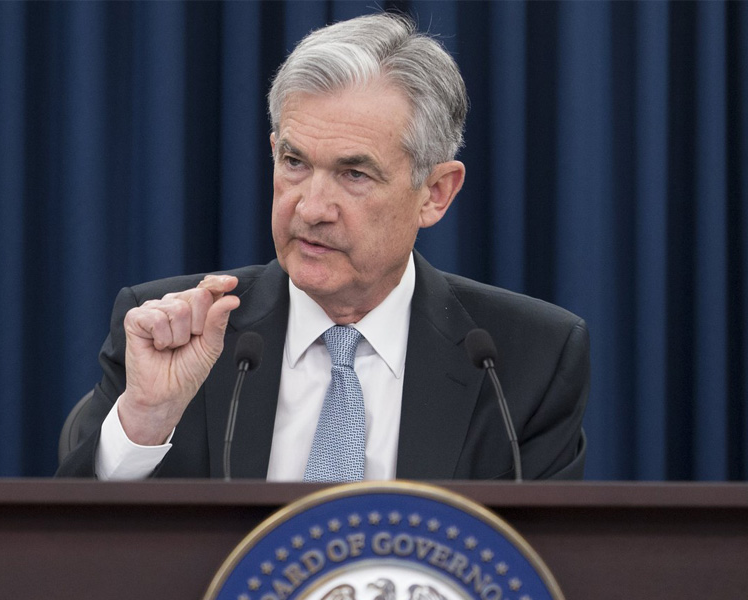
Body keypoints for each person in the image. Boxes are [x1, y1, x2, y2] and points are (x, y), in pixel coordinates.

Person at [56, 12, 589, 481]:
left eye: (354, 174)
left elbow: (537, 556)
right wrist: (146, 421)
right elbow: (70, 546)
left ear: (435, 193)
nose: (311, 208)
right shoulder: (175, 332)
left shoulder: (526, 360)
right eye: (294, 163)